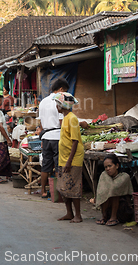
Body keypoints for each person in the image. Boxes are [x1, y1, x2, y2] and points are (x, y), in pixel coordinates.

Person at [53, 92, 84, 223]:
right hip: (63, 158)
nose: (56, 107)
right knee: (63, 187)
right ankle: (69, 213)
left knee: (73, 186)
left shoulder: (72, 118)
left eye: (57, 104)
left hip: (72, 159)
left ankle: (78, 215)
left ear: (62, 105)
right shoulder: (65, 118)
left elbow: (75, 141)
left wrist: (69, 162)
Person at [38, 78, 69, 198]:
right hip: (57, 136)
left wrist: (42, 138)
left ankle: (43, 191)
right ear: (61, 89)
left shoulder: (43, 102)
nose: (65, 94)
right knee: (58, 165)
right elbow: (62, 122)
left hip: (46, 137)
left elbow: (41, 123)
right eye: (65, 91)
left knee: (46, 166)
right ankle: (57, 192)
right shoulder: (59, 101)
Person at [95, 154, 134, 226]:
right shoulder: (104, 175)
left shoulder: (124, 176)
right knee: (104, 191)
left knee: (114, 192)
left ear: (117, 166)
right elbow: (101, 191)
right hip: (108, 208)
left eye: (110, 166)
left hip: (123, 210)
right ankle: (104, 216)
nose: (107, 169)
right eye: (106, 167)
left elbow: (114, 188)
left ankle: (114, 217)